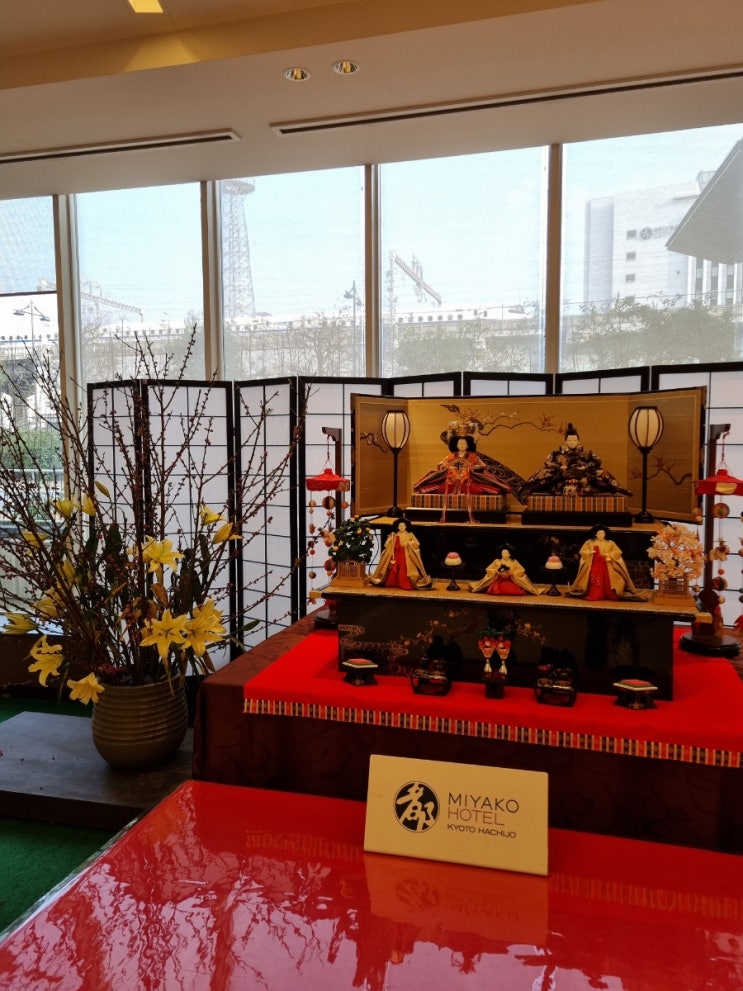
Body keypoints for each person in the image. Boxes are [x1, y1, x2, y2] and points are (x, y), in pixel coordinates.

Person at [413, 434, 511, 522]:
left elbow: (483, 465)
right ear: (456, 445)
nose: (462, 445)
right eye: (460, 443)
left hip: (468, 480)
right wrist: (446, 467)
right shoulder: (451, 456)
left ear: (468, 445)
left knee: (480, 489)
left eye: (464, 443)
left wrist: (475, 467)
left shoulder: (473, 456)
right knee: (439, 487)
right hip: (452, 480)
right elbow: (441, 464)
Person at [520, 423, 632, 499]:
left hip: (582, 474)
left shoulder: (587, 453)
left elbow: (598, 461)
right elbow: (547, 462)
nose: (572, 442)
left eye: (574, 440)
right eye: (569, 440)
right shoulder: (557, 452)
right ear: (565, 441)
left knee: (602, 472)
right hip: (562, 475)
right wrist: (559, 466)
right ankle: (526, 488)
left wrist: (586, 467)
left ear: (578, 441)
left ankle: (619, 489)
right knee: (543, 472)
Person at [568, 524, 646, 601]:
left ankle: (610, 593)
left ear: (605, 534)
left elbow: (618, 552)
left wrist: (609, 554)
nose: (601, 535)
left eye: (602, 533)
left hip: (607, 565)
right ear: (595, 534)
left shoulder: (610, 543)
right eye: (599, 534)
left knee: (610, 580)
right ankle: (596, 594)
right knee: (595, 579)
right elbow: (582, 551)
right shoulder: (590, 542)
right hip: (594, 564)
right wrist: (589, 552)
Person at [369, 518, 433, 590]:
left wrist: (409, 543)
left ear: (406, 526)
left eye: (403, 526)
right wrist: (390, 539)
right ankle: (392, 582)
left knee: (404, 569)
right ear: (397, 527)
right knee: (393, 569)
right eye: (400, 526)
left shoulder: (410, 535)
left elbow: (417, 544)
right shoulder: (394, 535)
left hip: (406, 555)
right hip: (395, 554)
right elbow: (386, 545)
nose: (401, 527)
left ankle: (404, 583)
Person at [469, 543, 544, 595]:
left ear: (510, 554)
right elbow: (489, 569)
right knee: (493, 590)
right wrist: (497, 571)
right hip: (499, 580)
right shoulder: (497, 561)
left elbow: (521, 570)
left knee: (515, 591)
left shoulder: (514, 561)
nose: (504, 554)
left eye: (506, 553)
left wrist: (512, 573)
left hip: (511, 580)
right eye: (503, 553)